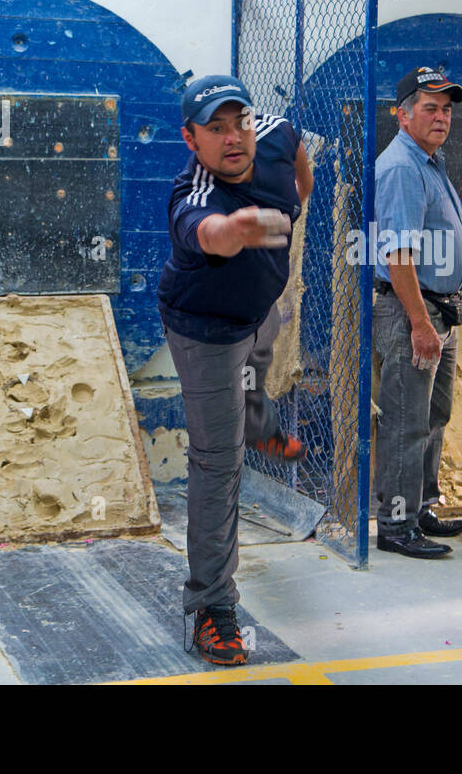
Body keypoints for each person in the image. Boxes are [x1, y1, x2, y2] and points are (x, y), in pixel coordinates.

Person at [158, 74, 313, 665]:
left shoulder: (271, 134)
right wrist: (239, 230)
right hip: (204, 329)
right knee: (218, 464)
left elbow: (295, 151)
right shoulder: (191, 194)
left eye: (239, 122)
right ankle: (211, 606)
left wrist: (298, 197)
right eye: (215, 129)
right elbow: (211, 235)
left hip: (257, 311)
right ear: (190, 139)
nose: (233, 138)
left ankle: (255, 418)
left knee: (262, 353)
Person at [372, 67, 462, 559]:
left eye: (446, 109)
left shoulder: (429, 161)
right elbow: (398, 256)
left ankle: (422, 507)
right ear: (403, 114)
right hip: (414, 313)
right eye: (429, 108)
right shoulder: (402, 167)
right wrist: (419, 323)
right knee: (406, 420)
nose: (441, 117)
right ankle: (395, 525)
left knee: (434, 413)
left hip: (439, 311)